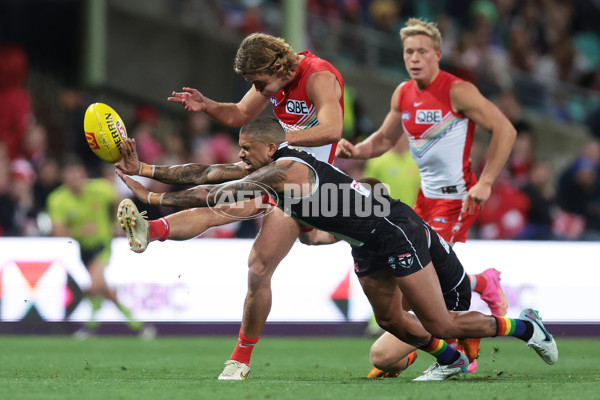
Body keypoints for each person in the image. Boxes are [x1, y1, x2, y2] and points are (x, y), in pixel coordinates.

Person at [117, 116, 557, 381]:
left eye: (247, 151)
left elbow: (215, 196)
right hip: (365, 244)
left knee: (440, 320)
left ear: (270, 148)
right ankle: (449, 360)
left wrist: (151, 198)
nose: (241, 156)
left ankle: (526, 328)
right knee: (389, 319)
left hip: (392, 230)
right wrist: (148, 169)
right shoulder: (274, 161)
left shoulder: (284, 172)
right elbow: (209, 172)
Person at [117, 32, 345, 380]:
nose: (259, 90)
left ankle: (241, 356)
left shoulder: (318, 76)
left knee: (259, 265)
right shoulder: (275, 79)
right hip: (277, 171)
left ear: (279, 64)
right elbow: (239, 112)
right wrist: (208, 105)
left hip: (308, 185)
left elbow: (333, 129)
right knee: (223, 201)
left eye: (259, 82)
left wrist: (280, 140)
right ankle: (153, 229)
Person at [336, 18, 517, 375]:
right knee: (411, 282)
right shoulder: (403, 93)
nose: (414, 58)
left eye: (422, 51)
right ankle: (481, 285)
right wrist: (357, 151)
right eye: (408, 52)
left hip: (457, 197)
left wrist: (487, 181)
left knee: (426, 284)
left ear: (437, 54)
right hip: (425, 199)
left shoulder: (457, 90)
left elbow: (505, 129)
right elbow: (386, 139)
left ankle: (449, 351)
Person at [46, 155, 154, 339]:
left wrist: (116, 222)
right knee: (103, 289)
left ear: (84, 175)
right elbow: (59, 232)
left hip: (103, 245)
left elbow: (121, 203)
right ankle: (136, 325)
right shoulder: (57, 199)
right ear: (63, 177)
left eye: (77, 174)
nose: (74, 179)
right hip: (81, 250)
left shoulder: (101, 189)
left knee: (95, 284)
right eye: (69, 174)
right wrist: (79, 231)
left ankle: (92, 327)